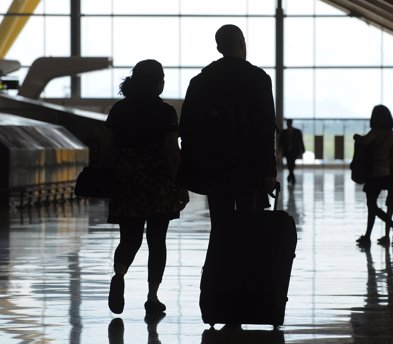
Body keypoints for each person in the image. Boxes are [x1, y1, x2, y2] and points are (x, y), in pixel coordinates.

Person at [177, 24, 277, 307]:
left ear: (219, 47)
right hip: (249, 168)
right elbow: (265, 127)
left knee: (220, 227)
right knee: (246, 224)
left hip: (214, 169)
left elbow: (188, 128)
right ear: (242, 44)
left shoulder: (201, 81)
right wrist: (269, 170)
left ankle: (217, 292)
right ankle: (243, 291)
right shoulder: (258, 79)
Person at [104, 59, 189, 315]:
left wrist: (110, 175)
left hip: (127, 180)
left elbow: (106, 147)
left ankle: (119, 274)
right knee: (157, 240)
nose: (164, 81)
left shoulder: (119, 109)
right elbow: (173, 152)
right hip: (159, 183)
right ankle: (152, 297)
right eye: (161, 77)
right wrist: (182, 185)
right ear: (155, 82)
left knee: (129, 237)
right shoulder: (165, 112)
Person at [354, 105, 393, 246]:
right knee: (372, 205)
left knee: (372, 205)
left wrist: (356, 136)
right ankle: (367, 236)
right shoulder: (390, 133)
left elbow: (364, 141)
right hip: (385, 171)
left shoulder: (376, 132)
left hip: (374, 171)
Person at [278, 119, 305, 185]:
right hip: (287, 151)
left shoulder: (297, 131)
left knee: (291, 163)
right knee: (289, 163)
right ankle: (291, 176)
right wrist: (279, 150)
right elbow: (280, 142)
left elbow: (300, 141)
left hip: (294, 151)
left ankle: (290, 176)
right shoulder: (284, 132)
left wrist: (303, 149)